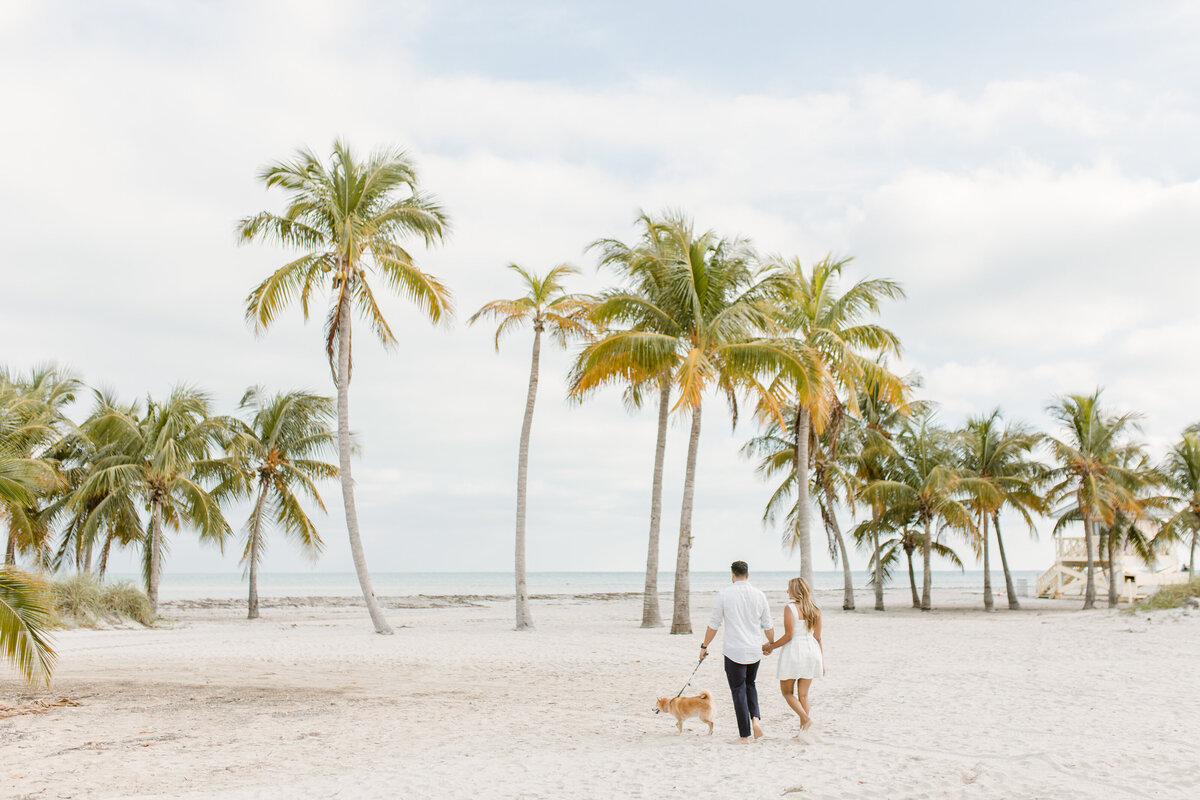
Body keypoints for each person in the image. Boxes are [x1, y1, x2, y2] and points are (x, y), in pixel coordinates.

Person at [699, 560, 774, 743]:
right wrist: (770, 644)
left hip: (734, 651)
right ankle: (755, 720)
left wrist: (704, 646)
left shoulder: (725, 594)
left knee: (738, 690)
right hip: (754, 650)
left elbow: (714, 624)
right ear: (747, 575)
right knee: (750, 685)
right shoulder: (759, 594)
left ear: (732, 575)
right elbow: (768, 624)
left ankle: (744, 736)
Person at [763, 576, 824, 730]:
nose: (786, 590)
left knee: (787, 692)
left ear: (795, 590)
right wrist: (822, 661)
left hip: (795, 652)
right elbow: (817, 638)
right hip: (812, 651)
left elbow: (789, 635)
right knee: (803, 695)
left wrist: (771, 646)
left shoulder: (790, 608)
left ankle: (805, 718)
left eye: (788, 587)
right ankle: (804, 731)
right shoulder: (815, 609)